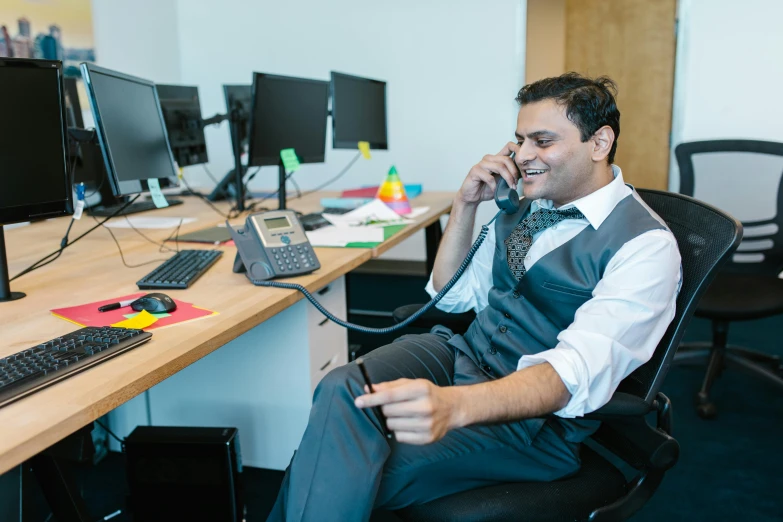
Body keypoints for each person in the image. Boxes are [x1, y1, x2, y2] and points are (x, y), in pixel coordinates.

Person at [267, 72, 682, 522]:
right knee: (340, 387)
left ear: (599, 143)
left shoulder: (644, 247)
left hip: (533, 425)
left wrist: (456, 406)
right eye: (520, 141)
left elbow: (569, 376)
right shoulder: (528, 207)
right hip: (459, 353)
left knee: (337, 464)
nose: (523, 156)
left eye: (542, 141)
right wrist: (465, 204)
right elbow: (451, 296)